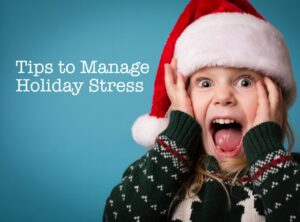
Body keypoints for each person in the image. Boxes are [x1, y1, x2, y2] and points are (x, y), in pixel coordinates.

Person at [103, 0, 299, 221]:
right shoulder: (162, 171)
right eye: (205, 83)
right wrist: (176, 140)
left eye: (244, 82)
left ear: (274, 98)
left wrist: (267, 154)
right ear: (182, 99)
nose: (224, 97)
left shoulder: (289, 176)